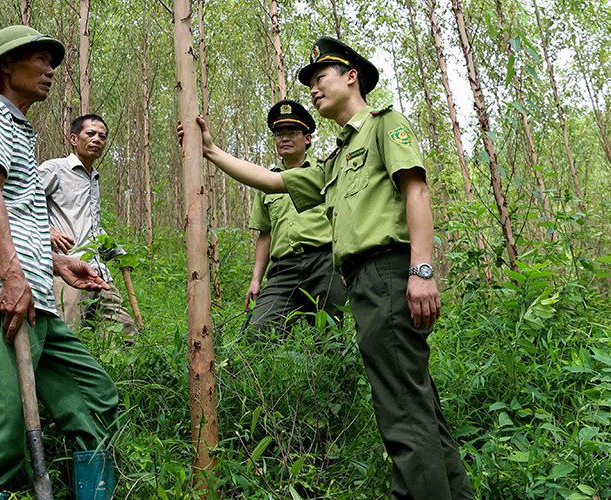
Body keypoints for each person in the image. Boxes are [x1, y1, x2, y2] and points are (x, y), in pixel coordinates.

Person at [179, 36, 474, 499]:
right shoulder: (336, 158)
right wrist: (212, 151)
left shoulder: (384, 126)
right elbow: (274, 180)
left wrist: (421, 271)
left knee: (401, 408)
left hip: (388, 273)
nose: (313, 90)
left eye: (320, 79)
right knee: (418, 404)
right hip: (362, 281)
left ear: (351, 76)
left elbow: (415, 192)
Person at [0, 26, 118, 500]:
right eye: (40, 60)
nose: (49, 71)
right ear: (6, 65)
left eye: (52, 63)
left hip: (34, 295)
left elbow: (18, 217)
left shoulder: (19, 129)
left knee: (94, 398)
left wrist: (58, 264)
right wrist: (12, 276)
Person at [245, 99, 345, 336]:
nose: (284, 138)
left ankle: (330, 374)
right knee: (258, 333)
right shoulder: (266, 182)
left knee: (328, 338)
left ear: (307, 138)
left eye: (292, 132)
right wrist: (256, 280)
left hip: (324, 263)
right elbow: (264, 235)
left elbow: (342, 218)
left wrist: (346, 264)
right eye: (279, 133)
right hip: (283, 269)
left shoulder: (324, 172)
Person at [40, 114, 137, 345]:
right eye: (90, 134)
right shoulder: (55, 169)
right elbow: (20, 204)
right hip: (67, 269)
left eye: (102, 137)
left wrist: (118, 252)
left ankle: (117, 380)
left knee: (124, 335)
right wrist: (47, 230)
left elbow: (90, 225)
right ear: (74, 138)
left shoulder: (94, 178)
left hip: (98, 271)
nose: (97, 140)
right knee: (67, 336)